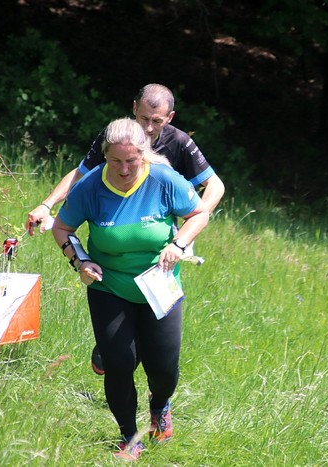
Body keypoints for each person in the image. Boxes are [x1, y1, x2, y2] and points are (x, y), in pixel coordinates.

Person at [29, 83, 225, 374]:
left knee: (158, 343)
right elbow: (81, 175)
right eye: (143, 118)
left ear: (170, 118)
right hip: (115, 234)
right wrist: (47, 205)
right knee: (121, 345)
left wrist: (190, 228)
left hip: (159, 241)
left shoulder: (179, 142)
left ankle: (148, 373)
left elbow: (215, 185)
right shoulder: (117, 138)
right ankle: (114, 345)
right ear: (134, 108)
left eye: (156, 121)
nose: (148, 127)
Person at [52, 118, 210, 460]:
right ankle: (129, 437)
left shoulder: (164, 179)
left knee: (163, 369)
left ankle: (160, 405)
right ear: (105, 156)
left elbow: (199, 213)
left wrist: (179, 244)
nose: (123, 169)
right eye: (115, 161)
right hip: (110, 287)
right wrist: (80, 260)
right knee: (119, 363)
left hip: (159, 286)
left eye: (131, 161)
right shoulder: (91, 186)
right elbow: (62, 227)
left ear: (144, 155)